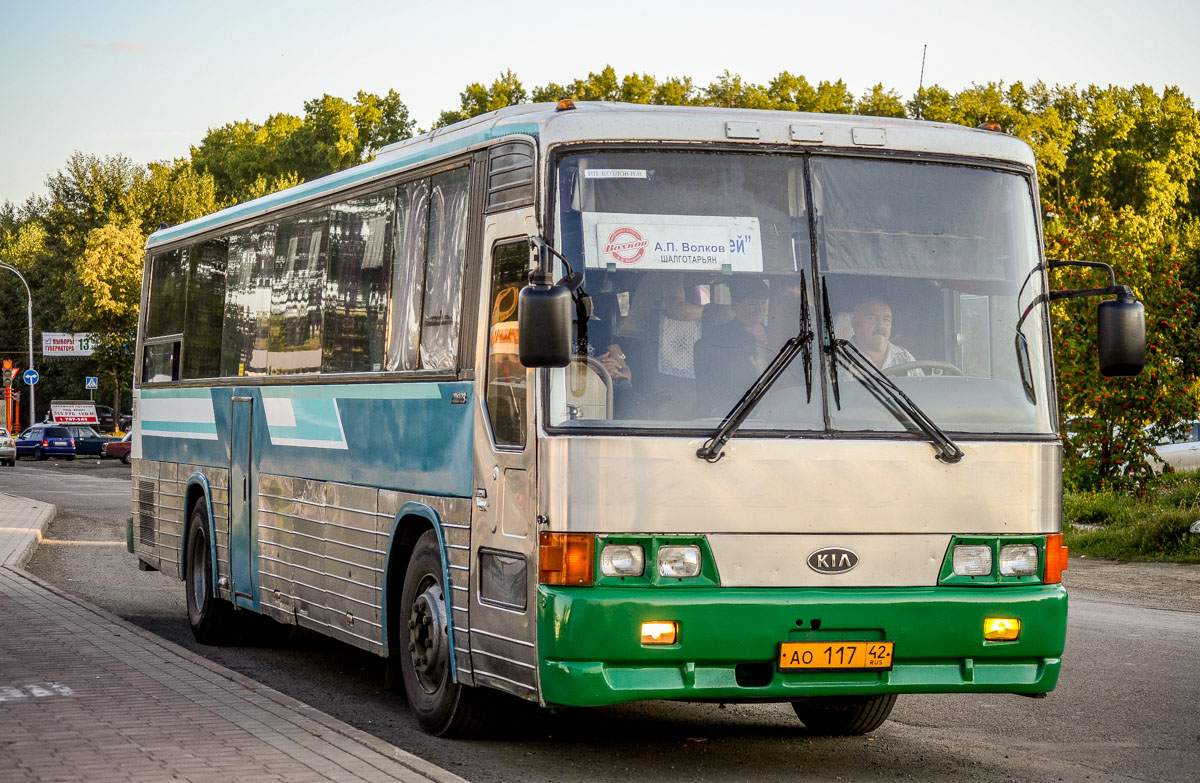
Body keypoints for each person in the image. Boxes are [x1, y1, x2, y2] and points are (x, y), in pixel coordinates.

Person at [693, 277, 772, 415]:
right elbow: (710, 391)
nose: (759, 309)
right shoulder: (715, 341)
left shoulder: (776, 336)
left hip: (775, 411)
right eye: (752, 303)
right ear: (735, 304)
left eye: (763, 303)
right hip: (734, 412)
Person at [849, 298, 919, 373]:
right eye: (872, 318)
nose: (880, 325)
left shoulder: (905, 357)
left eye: (886, 320)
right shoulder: (839, 360)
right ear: (855, 324)